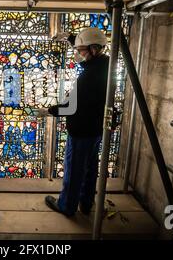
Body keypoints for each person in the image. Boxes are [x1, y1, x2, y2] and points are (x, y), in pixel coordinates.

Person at [38, 27, 109, 216]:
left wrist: (49, 111)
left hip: (81, 131)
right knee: (90, 169)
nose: (78, 54)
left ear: (93, 49)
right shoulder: (105, 65)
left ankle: (67, 206)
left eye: (81, 51)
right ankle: (86, 203)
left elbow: (71, 106)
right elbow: (86, 47)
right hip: (95, 129)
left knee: (74, 170)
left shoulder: (88, 76)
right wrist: (71, 38)